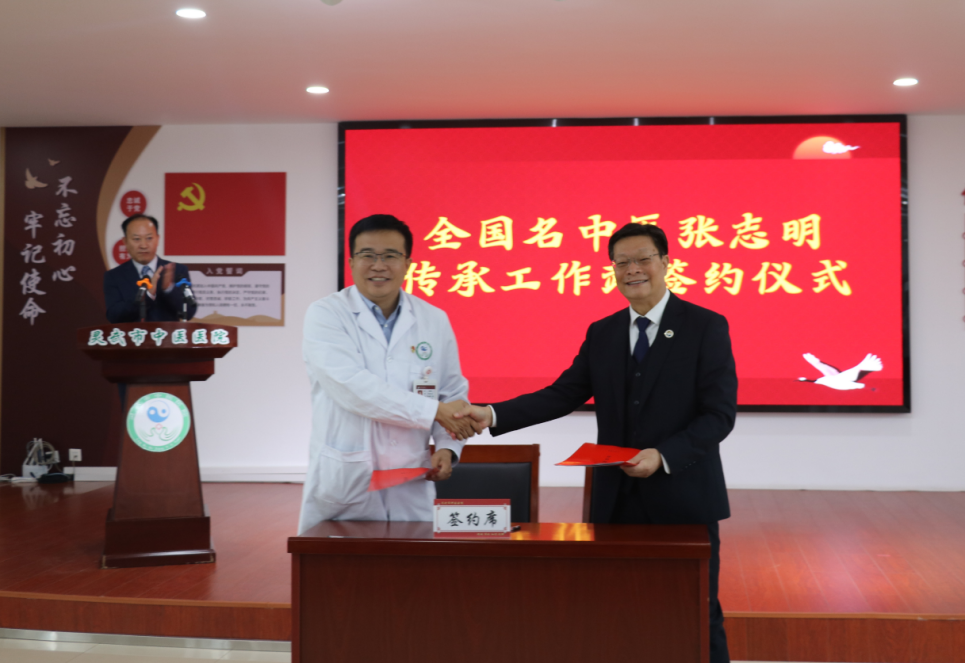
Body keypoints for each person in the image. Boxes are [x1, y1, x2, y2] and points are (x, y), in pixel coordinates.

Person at [458, 222, 737, 663]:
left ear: (666, 262)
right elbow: (563, 394)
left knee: (696, 612)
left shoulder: (705, 326)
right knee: (617, 613)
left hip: (684, 496)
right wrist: (491, 414)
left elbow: (719, 415)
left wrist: (663, 456)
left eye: (643, 259)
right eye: (621, 262)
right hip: (615, 500)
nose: (632, 270)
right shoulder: (603, 332)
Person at [298, 214, 476, 533]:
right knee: (338, 563)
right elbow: (353, 389)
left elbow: (451, 391)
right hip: (348, 480)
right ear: (351, 262)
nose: (378, 265)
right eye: (368, 255)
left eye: (390, 256)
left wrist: (447, 447)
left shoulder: (434, 319)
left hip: (412, 479)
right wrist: (433, 411)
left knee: (412, 562)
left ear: (408, 263)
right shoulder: (326, 314)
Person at [104, 214, 196, 323]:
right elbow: (113, 316)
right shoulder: (114, 276)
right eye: (136, 239)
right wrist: (147, 296)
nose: (143, 245)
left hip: (166, 334)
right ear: (125, 242)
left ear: (157, 239)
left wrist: (169, 289)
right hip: (133, 334)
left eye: (149, 238)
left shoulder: (177, 271)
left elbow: (189, 312)